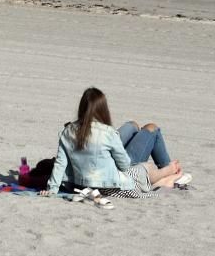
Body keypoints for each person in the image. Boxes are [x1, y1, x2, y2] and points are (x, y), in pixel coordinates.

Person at [41, 88, 190, 205]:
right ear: (102, 109)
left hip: (85, 178)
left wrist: (51, 190)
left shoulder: (67, 131)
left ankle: (166, 172)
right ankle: (169, 170)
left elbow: (61, 164)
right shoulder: (108, 133)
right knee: (152, 129)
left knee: (132, 126)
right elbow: (124, 165)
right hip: (110, 177)